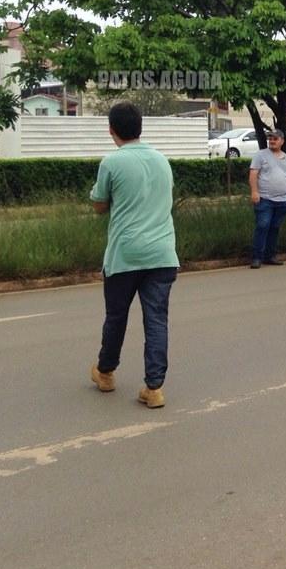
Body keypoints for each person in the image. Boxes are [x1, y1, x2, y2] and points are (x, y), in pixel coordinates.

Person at [89, 102, 179, 409]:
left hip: (125, 255)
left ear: (111, 130)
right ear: (140, 127)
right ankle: (154, 388)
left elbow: (99, 205)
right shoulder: (162, 161)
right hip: (163, 253)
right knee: (156, 320)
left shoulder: (111, 163)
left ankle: (106, 373)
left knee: (116, 316)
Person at [249, 128, 286, 268]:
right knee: (262, 226)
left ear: (282, 141)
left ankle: (270, 256)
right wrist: (254, 192)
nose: (272, 141)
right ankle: (257, 257)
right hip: (265, 199)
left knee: (275, 228)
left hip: (282, 201)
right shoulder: (261, 155)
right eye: (270, 138)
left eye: (275, 139)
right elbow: (253, 174)